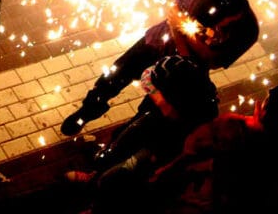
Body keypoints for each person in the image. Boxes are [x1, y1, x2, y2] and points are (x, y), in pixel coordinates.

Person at [61, 0, 259, 136]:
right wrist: (187, 36)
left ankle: (120, 143)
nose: (214, 23)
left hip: (182, 75)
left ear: (237, 15)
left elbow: (213, 60)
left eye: (221, 23)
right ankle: (86, 112)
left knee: (150, 113)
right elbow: (174, 10)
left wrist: (181, 34)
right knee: (113, 77)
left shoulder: (247, 31)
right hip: (155, 43)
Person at [66, 55, 221, 214]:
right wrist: (159, 99)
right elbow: (147, 74)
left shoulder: (201, 111)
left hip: (160, 147)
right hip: (149, 123)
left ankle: (98, 206)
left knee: (115, 177)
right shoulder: (178, 70)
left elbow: (190, 139)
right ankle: (93, 178)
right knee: (116, 146)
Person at [151, 83, 278, 213]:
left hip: (200, 202)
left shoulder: (232, 127)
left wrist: (164, 173)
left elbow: (190, 153)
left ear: (264, 107)